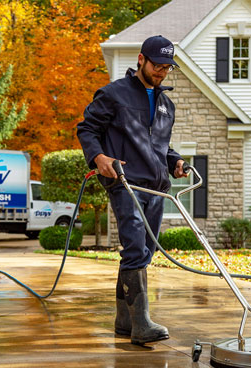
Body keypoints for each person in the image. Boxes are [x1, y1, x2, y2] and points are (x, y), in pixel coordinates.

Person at [77, 35, 187, 345]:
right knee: (136, 248)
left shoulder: (166, 105)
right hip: (125, 182)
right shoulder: (115, 94)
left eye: (167, 68)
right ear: (141, 60)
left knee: (144, 251)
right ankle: (141, 324)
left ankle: (124, 320)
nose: (161, 72)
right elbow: (87, 128)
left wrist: (175, 161)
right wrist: (99, 158)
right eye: (157, 66)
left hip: (156, 188)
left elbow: (159, 147)